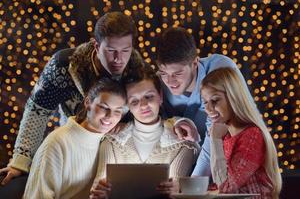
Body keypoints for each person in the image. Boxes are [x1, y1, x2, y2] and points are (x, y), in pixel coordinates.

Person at [0, 11, 138, 185]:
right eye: (111, 51)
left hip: (115, 154)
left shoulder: (137, 72)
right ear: (96, 46)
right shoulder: (63, 65)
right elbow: (37, 111)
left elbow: (150, 117)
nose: (119, 59)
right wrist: (21, 161)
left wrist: (128, 126)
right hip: (71, 149)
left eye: (125, 50)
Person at [89, 66, 200, 199]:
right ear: (127, 106)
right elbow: (98, 186)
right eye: (134, 101)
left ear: (160, 96)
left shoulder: (182, 141)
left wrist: (178, 189)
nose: (143, 105)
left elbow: (177, 185)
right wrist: (99, 193)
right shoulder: (112, 140)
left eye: (149, 96)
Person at [156, 26, 243, 176]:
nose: (170, 81)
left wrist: (194, 184)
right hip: (183, 166)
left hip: (233, 164)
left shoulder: (219, 70)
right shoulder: (157, 83)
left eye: (178, 73)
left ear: (195, 63)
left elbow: (216, 133)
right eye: (164, 72)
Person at [23, 78, 127, 198]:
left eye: (117, 111)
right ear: (88, 103)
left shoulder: (110, 143)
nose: (110, 116)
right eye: (104, 107)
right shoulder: (57, 143)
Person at [201, 67, 282, 198]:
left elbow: (226, 188)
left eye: (215, 101)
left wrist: (215, 140)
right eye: (205, 102)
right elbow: (219, 183)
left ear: (234, 98)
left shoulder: (252, 135)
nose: (208, 109)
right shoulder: (225, 135)